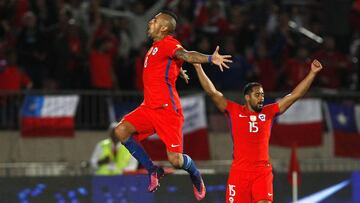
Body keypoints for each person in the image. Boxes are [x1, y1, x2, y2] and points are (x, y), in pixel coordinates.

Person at [114, 11, 232, 201]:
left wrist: (210, 58)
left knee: (176, 161)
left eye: (154, 20)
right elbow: (167, 65)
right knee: (120, 131)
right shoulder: (154, 47)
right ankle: (153, 170)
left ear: (163, 28)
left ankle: (195, 174)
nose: (150, 22)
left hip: (168, 110)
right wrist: (178, 70)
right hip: (149, 108)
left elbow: (186, 54)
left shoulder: (169, 43)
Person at [193, 59, 323, 203]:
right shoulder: (234, 110)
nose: (261, 98)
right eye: (257, 95)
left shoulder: (269, 112)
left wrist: (312, 73)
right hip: (239, 172)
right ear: (247, 97)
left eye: (262, 94)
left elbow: (294, 95)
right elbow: (212, 92)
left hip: (262, 172)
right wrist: (198, 67)